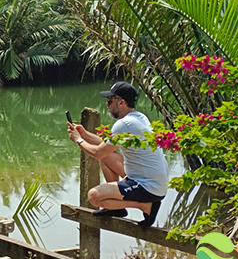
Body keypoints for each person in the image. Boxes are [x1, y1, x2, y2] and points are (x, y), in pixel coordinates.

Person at [67, 81, 169, 227]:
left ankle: (145, 206)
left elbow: (97, 153)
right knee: (106, 158)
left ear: (121, 103)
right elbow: (106, 148)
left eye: (110, 101)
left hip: (148, 187)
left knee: (94, 197)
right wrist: (85, 134)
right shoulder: (139, 117)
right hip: (154, 181)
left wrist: (78, 140)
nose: (107, 104)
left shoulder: (124, 124)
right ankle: (118, 208)